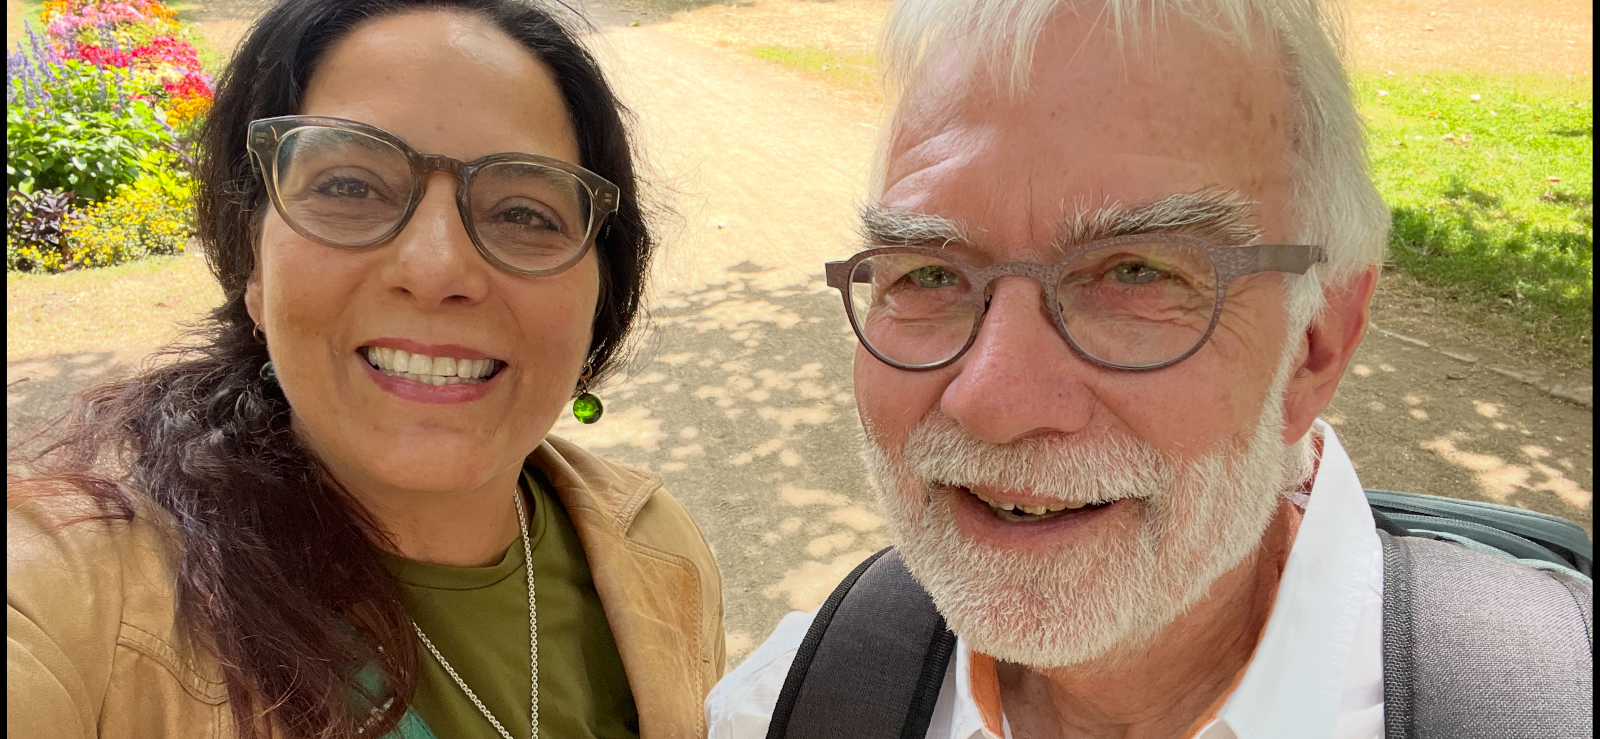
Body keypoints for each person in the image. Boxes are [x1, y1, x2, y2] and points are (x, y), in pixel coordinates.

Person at [707, 0, 1591, 737]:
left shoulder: (1549, 704)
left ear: (1315, 344)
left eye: (1137, 273)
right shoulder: (787, 702)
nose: (994, 400)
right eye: (928, 273)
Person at [7, 1, 724, 737]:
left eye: (524, 213)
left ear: (601, 292)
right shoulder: (76, 596)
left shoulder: (657, 547)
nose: (438, 267)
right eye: (350, 187)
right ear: (253, 265)